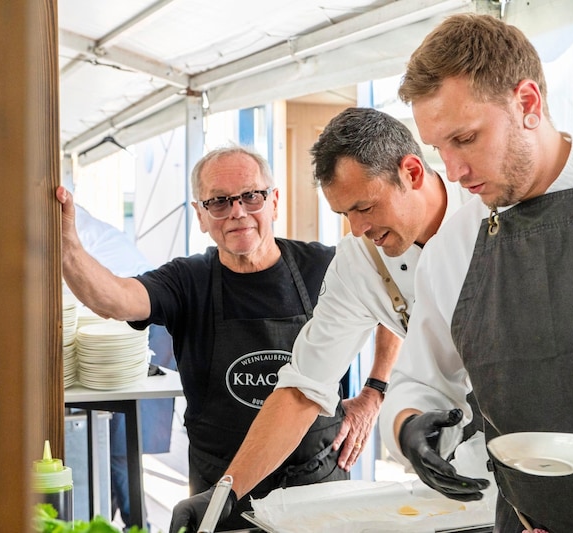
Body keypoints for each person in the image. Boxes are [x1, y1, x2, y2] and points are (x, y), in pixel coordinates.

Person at [381, 13, 573, 532]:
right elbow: (421, 383)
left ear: (527, 103)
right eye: (438, 150)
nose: (453, 172)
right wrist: (409, 427)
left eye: (466, 138)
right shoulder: (452, 248)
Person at [170, 107, 480, 533]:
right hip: (463, 467)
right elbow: (303, 387)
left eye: (365, 207)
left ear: (411, 171)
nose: (356, 229)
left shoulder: (489, 213)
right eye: (345, 214)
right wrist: (225, 492)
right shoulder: (360, 262)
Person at [57, 146, 352, 531]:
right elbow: (116, 299)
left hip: (317, 486)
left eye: (251, 196)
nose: (237, 211)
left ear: (274, 201)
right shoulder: (186, 280)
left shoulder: (325, 266)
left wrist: (375, 390)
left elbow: (388, 299)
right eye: (219, 201)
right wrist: (67, 245)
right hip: (222, 494)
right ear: (200, 215)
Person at [71, 203, 177, 529]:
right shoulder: (68, 217)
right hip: (126, 318)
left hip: (138, 322)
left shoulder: (61, 225)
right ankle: (116, 514)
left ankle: (134, 523)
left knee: (117, 438)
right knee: (111, 435)